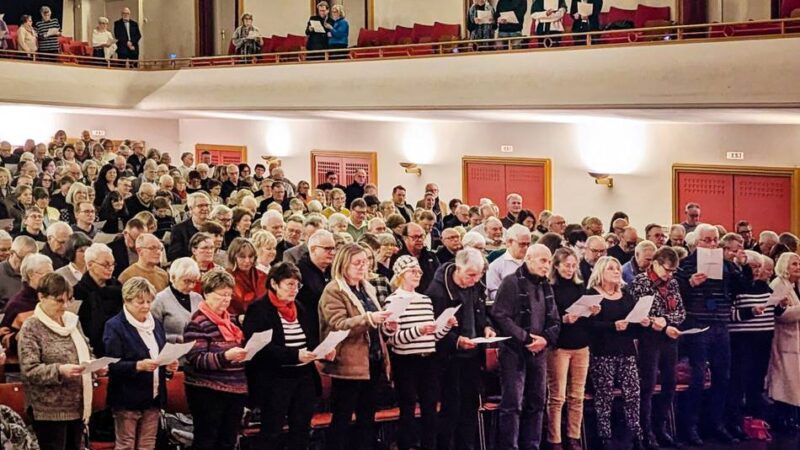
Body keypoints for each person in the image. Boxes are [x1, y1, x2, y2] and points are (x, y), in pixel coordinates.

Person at [676, 226, 753, 445]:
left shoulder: (727, 264)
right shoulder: (686, 264)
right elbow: (677, 294)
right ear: (697, 242)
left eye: (715, 240)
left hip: (721, 324)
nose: (711, 244)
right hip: (697, 325)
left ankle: (716, 424)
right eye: (707, 240)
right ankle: (690, 426)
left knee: (722, 376)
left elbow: (743, 287)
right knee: (698, 377)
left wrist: (743, 266)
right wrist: (690, 283)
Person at [243, 262, 329, 450]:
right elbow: (259, 348)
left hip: (303, 377)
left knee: (301, 431)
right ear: (274, 283)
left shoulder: (300, 307)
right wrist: (295, 355)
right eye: (290, 284)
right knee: (272, 432)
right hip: (275, 380)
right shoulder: (259, 309)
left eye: (298, 285)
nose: (295, 290)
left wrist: (322, 351)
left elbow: (310, 339)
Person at [319, 243, 394, 450]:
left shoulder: (367, 288)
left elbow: (374, 322)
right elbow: (338, 324)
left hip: (372, 360)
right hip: (348, 364)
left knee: (367, 416)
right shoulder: (334, 290)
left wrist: (386, 326)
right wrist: (369, 318)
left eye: (366, 262)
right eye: (357, 263)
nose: (363, 266)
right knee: (342, 417)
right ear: (343, 264)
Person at [382, 256, 455, 450]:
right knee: (407, 409)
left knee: (430, 409)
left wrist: (445, 326)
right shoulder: (392, 301)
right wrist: (419, 330)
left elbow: (433, 337)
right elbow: (393, 340)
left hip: (428, 360)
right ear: (400, 274)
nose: (417, 274)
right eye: (412, 271)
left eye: (419, 271)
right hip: (406, 361)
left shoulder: (425, 300)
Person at [492, 244, 561, 450]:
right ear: (528, 258)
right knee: (513, 404)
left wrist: (545, 340)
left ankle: (532, 446)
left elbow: (555, 319)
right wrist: (526, 339)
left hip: (539, 351)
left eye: (549, 262)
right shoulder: (511, 282)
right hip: (513, 351)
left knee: (537, 402)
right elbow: (500, 315)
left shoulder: (546, 285)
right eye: (543, 260)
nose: (547, 265)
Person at [18, 273, 96, 450]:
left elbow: (87, 350)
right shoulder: (31, 327)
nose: (65, 306)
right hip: (48, 411)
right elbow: (29, 370)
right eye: (59, 301)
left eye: (68, 300)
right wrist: (60, 370)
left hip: (77, 406)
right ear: (41, 297)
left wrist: (94, 365)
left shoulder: (72, 322)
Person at [427, 247, 493, 450]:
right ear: (458, 268)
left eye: (479, 274)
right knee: (451, 408)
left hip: (473, 355)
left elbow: (481, 312)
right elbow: (434, 327)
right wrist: (456, 341)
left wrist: (487, 327)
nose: (475, 279)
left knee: (471, 405)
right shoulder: (438, 290)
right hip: (448, 359)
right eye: (470, 275)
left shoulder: (476, 285)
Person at [103, 277, 179, 450]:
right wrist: (138, 365)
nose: (146, 306)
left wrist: (168, 367)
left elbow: (159, 355)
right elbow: (112, 365)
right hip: (127, 397)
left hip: (153, 396)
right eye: (140, 302)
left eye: (149, 301)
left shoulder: (156, 324)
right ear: (127, 301)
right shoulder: (115, 326)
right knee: (126, 445)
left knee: (147, 445)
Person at [587, 256, 650, 449]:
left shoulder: (627, 295)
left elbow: (633, 325)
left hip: (626, 351)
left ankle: (636, 435)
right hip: (602, 352)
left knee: (633, 393)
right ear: (600, 272)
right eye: (611, 268)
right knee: (604, 396)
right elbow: (588, 326)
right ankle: (604, 437)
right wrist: (612, 326)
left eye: (617, 268)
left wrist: (642, 323)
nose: (616, 271)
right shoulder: (591, 295)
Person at [183, 270, 248, 450]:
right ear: (207, 294)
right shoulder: (197, 323)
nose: (226, 300)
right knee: (207, 440)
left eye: (229, 295)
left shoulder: (232, 322)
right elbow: (197, 358)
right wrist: (225, 356)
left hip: (236, 388)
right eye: (221, 295)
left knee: (228, 440)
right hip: (208, 391)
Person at [628, 246, 686, 449]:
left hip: (669, 337)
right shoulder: (641, 282)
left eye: (673, 271)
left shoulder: (673, 283)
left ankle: (661, 427)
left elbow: (681, 312)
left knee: (670, 383)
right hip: (648, 339)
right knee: (648, 384)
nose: (670, 275)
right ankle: (645, 431)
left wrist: (666, 322)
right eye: (667, 270)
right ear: (655, 263)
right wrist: (659, 323)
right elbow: (641, 313)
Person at [545, 248, 595, 450]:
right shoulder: (549, 288)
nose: (570, 269)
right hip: (559, 346)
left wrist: (592, 311)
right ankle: (555, 439)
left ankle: (574, 436)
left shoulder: (580, 286)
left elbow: (586, 318)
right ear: (556, 266)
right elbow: (547, 317)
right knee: (557, 396)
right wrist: (563, 319)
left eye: (574, 266)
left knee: (577, 396)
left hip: (581, 345)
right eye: (567, 265)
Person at [727, 251, 774, 436]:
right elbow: (729, 314)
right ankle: (736, 421)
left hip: (764, 339)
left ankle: (755, 420)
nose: (757, 271)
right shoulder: (736, 286)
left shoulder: (764, 286)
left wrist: (780, 305)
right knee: (739, 382)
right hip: (742, 340)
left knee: (757, 381)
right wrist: (751, 312)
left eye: (759, 267)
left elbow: (774, 311)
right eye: (753, 267)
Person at [767, 252, 800, 430]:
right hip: (784, 340)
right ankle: (783, 419)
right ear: (784, 266)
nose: (798, 267)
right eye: (794, 264)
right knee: (785, 382)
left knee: (794, 383)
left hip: (795, 340)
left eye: (799, 263)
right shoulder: (778, 284)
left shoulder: (795, 285)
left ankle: (792, 418)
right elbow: (780, 314)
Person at [0, 254, 53, 358]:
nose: (51, 278)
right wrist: (22, 336)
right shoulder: (17, 304)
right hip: (25, 360)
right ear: (31, 275)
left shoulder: (53, 298)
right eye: (47, 274)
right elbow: (4, 339)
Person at [76, 243, 124, 357]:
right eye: (105, 264)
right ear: (90, 265)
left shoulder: (118, 288)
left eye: (112, 264)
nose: (110, 268)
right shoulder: (78, 292)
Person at [150, 257, 203, 343]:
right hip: (172, 348)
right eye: (186, 281)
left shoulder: (198, 298)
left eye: (194, 282)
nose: (191, 286)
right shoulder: (160, 300)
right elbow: (152, 333)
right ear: (173, 278)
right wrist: (174, 338)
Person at [486, 224, 531, 304]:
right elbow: (493, 292)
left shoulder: (532, 263)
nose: (526, 248)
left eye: (528, 244)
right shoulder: (496, 266)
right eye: (522, 244)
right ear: (509, 242)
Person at [393, 222, 440, 294]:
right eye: (415, 237)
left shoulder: (431, 256)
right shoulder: (397, 258)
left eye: (422, 236)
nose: (420, 240)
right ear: (405, 238)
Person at [227, 237, 267, 319]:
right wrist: (237, 318)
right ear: (233, 257)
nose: (247, 261)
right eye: (242, 257)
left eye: (251, 256)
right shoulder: (226, 278)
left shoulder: (263, 276)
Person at [168, 192, 210, 261]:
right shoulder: (178, 229)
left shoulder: (215, 227)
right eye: (200, 206)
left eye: (207, 205)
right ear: (191, 209)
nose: (205, 208)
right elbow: (174, 255)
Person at [0, 235, 38, 311]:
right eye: (23, 259)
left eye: (32, 260)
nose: (27, 264)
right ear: (11, 254)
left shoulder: (38, 272)